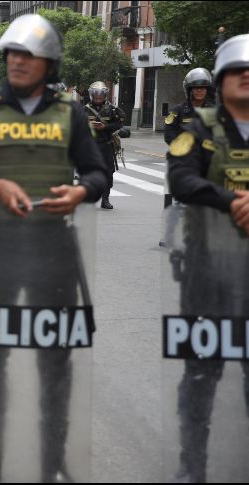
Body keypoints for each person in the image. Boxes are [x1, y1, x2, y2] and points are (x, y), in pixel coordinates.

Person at [0, 14, 108, 483]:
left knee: (55, 359)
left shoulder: (69, 112)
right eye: (12, 53)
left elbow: (96, 173)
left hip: (54, 251)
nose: (17, 60)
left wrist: (81, 192)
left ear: (48, 63)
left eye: (28, 54)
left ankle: (53, 462)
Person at [166, 33, 249, 484]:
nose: (246, 78)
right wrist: (230, 201)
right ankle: (191, 463)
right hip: (207, 271)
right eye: (238, 71)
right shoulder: (199, 128)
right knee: (201, 373)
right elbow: (180, 179)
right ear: (221, 80)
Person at [84, 81, 124, 209]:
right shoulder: (83, 109)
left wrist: (105, 127)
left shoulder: (112, 110)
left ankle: (105, 199)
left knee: (108, 172)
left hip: (106, 145)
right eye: (96, 95)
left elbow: (118, 125)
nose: (98, 98)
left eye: (101, 95)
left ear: (105, 96)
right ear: (91, 95)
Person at [164, 68, 214, 145]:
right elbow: (169, 135)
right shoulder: (176, 111)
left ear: (207, 90)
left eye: (203, 87)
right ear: (190, 90)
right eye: (196, 88)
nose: (199, 90)